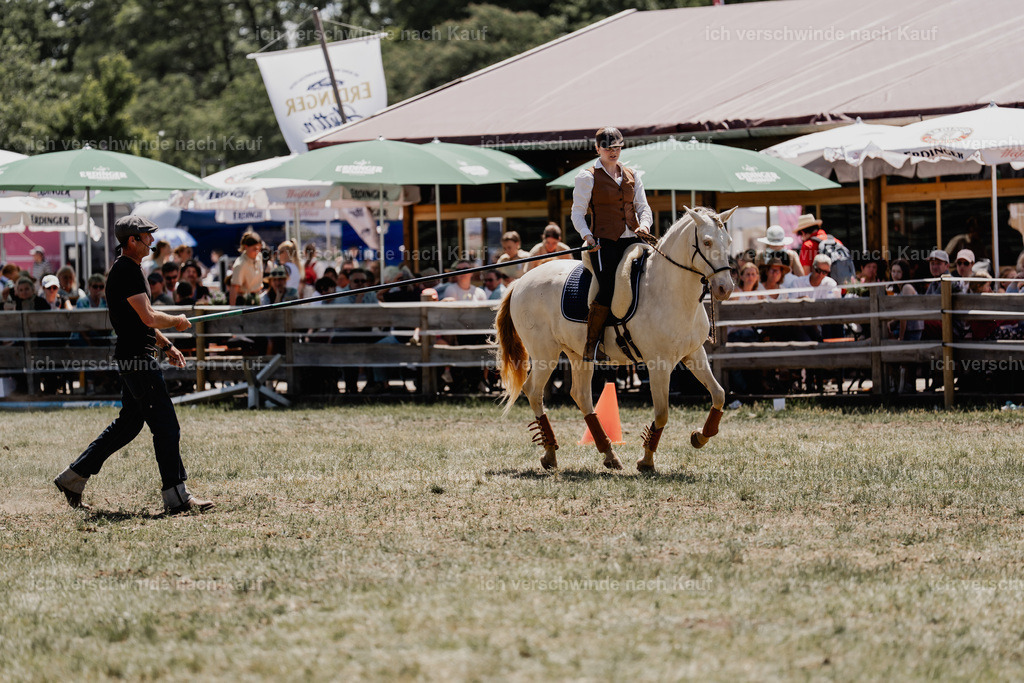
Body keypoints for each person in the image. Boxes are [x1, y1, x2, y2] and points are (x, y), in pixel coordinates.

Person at [53, 215, 214, 514]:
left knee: (128, 425)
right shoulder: (127, 271)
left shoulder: (129, 269)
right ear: (132, 240)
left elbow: (142, 321)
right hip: (137, 361)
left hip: (135, 357)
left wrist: (166, 344)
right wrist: (178, 320)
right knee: (166, 426)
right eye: (146, 236)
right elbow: (149, 316)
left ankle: (72, 478)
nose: (151, 241)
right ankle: (176, 497)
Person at [569, 126, 653, 361]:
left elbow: (643, 207)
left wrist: (645, 225)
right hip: (603, 242)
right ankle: (592, 344)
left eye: (617, 147)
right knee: (607, 287)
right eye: (608, 148)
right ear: (598, 149)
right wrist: (587, 236)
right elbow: (577, 213)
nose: (613, 152)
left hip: (634, 239)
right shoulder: (587, 177)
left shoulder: (633, 175)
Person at [229, 232, 264, 306]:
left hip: (259, 297)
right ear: (246, 247)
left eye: (259, 249)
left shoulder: (259, 257)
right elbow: (234, 288)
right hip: (245, 302)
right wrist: (232, 309)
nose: (257, 252)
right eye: (254, 249)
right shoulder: (240, 264)